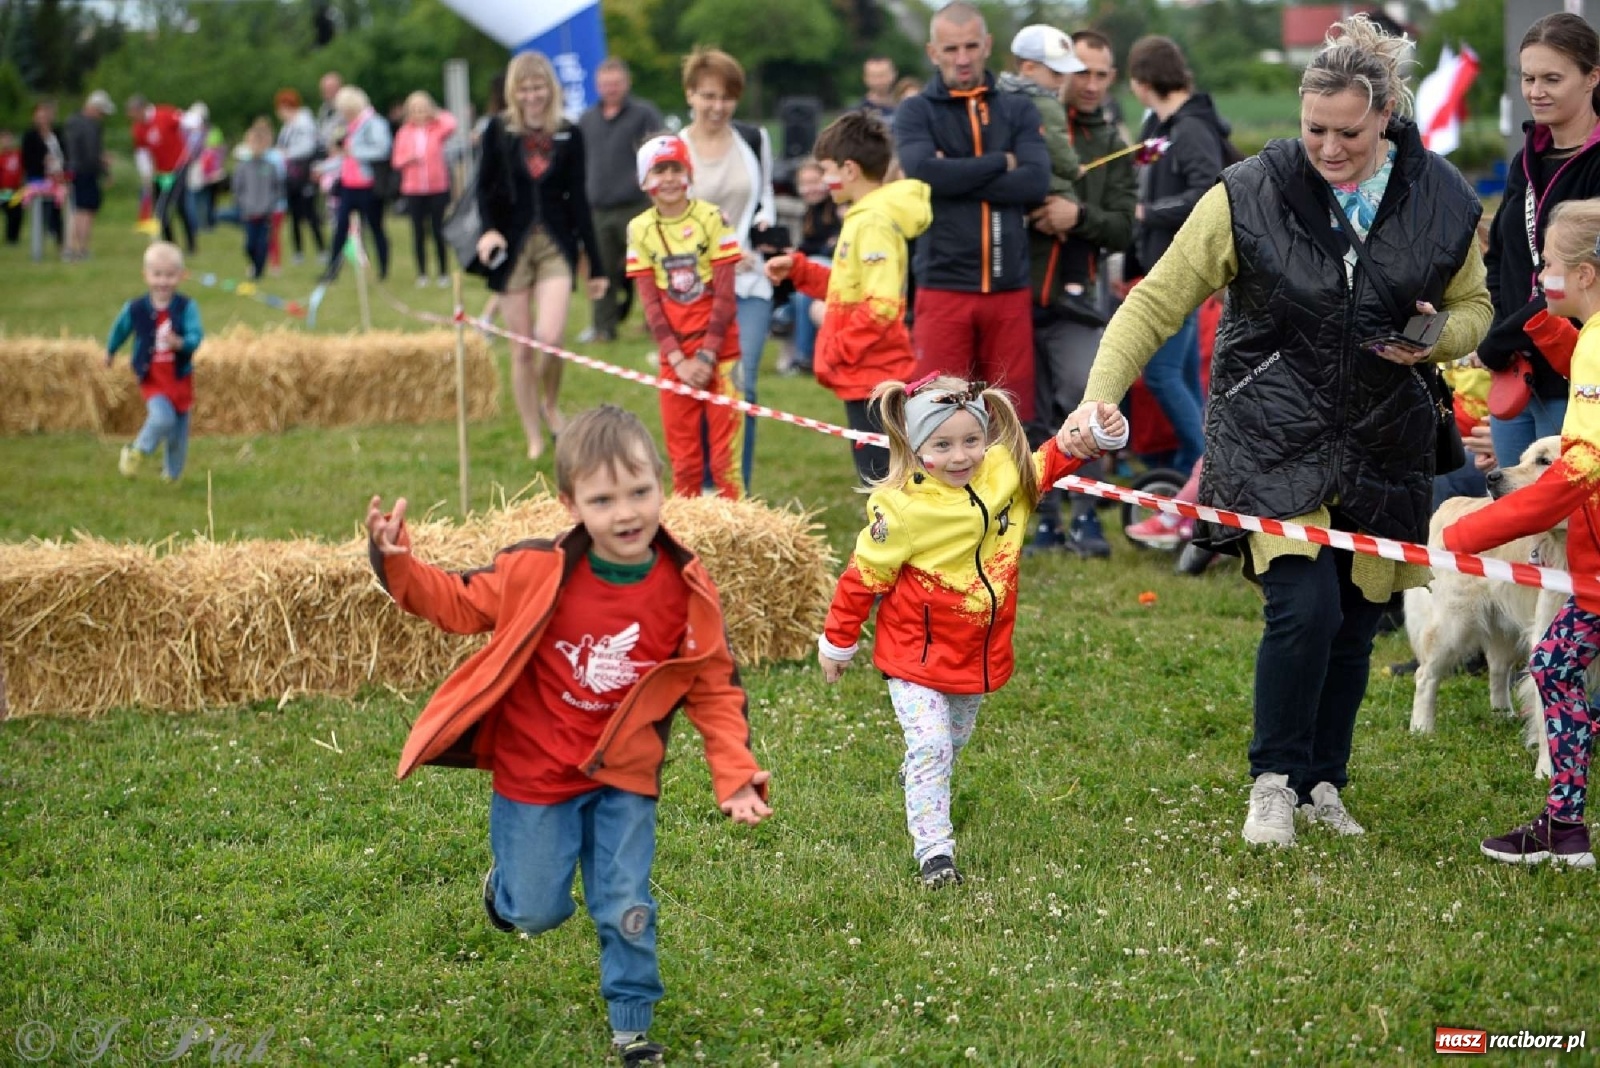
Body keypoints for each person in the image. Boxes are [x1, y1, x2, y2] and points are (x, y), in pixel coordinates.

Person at [1061, 15, 1492, 847]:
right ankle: (1272, 782)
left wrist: (1439, 337)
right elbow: (1155, 300)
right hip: (1269, 433)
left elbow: (1478, 306)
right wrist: (1098, 396)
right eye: (1314, 131)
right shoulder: (1249, 191)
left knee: (1356, 619)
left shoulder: (1441, 197)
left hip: (1381, 439)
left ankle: (1325, 783)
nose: (1329, 148)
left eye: (1349, 134)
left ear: (1386, 120)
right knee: (1302, 608)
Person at [364, 404, 772, 1067]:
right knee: (537, 913)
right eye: (604, 498)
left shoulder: (684, 587)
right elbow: (459, 602)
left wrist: (734, 774)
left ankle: (632, 1029)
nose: (627, 512)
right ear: (570, 503)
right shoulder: (536, 570)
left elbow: (714, 686)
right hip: (536, 774)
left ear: (660, 486)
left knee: (624, 901)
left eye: (640, 491)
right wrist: (399, 563)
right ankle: (508, 891)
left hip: (624, 776)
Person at [819, 375, 1126, 886]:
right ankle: (935, 853)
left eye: (970, 441)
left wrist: (1094, 433)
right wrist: (839, 641)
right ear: (917, 448)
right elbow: (860, 579)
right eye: (942, 445)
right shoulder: (901, 511)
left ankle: (922, 776)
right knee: (934, 745)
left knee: (949, 746)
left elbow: (1052, 459)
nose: (960, 456)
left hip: (977, 656)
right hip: (913, 659)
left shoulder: (1005, 474)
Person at [1443, 199, 1600, 869]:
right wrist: (1544, 325)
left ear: (1587, 274)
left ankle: (1565, 829)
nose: (1541, 277)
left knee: (1558, 666)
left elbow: (1576, 475)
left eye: (1550, 269)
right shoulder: (1590, 334)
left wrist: (1476, 529)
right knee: (1558, 663)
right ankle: (1564, 829)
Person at [893, 2, 1051, 424]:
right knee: (937, 412)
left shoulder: (1017, 108)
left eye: (969, 47)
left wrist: (955, 173)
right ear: (932, 52)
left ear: (987, 46)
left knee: (1010, 414)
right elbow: (925, 173)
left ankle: (1018, 491)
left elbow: (1036, 181)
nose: (961, 59)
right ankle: (933, 492)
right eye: (950, 49)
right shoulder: (916, 110)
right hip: (944, 284)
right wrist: (1002, 161)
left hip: (1008, 287)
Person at [764, 113, 930, 484]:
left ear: (850, 169)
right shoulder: (861, 217)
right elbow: (846, 287)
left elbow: (882, 306)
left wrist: (838, 347)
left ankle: (890, 540)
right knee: (879, 474)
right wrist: (799, 269)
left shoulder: (872, 222)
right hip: (862, 371)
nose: (824, 180)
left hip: (874, 375)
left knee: (884, 480)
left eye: (826, 170)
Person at [1023, 28, 1138, 558]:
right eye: (1080, 72)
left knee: (1082, 402)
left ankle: (1086, 517)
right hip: (1018, 291)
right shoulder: (1024, 124)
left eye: (1100, 74)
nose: (1089, 84)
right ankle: (1043, 518)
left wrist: (1078, 215)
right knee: (1027, 411)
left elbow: (1122, 228)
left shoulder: (1114, 143)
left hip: (1078, 300)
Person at [1478, 13, 1600, 470]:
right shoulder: (1524, 160)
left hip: (1577, 376)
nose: (1536, 91)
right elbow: (1500, 257)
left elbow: (1583, 272)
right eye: (1528, 78)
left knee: (1574, 521)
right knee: (1519, 524)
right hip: (1516, 372)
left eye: (1552, 78)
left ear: (1592, 77)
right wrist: (1499, 328)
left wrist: (1504, 335)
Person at [475, 51, 607, 461]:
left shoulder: (569, 132)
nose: (532, 95)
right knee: (522, 348)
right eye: (524, 88)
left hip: (556, 243)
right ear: (514, 92)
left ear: (550, 89)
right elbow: (483, 188)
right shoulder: (499, 131)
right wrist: (489, 230)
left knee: (551, 340)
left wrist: (595, 264)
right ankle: (533, 432)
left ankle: (551, 403)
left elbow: (580, 201)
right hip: (513, 247)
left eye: (538, 87)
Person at [1125, 35, 1232, 482]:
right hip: (1162, 264)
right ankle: (1199, 460)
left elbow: (1208, 194)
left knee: (1162, 373)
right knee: (1184, 372)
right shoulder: (1161, 127)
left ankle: (1207, 463)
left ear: (1142, 82)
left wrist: (1147, 214)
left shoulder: (1190, 128)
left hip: (1182, 268)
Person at [679, 47, 779, 491]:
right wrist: (715, 251)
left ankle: (737, 488)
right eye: (708, 96)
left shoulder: (754, 140)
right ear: (690, 96)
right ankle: (702, 486)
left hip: (748, 283)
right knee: (701, 385)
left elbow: (766, 202)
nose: (717, 106)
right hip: (693, 287)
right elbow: (666, 224)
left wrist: (762, 234)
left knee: (743, 385)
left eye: (726, 97)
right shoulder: (674, 150)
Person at [625, 135, 743, 499]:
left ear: (688, 173)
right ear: (646, 181)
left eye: (676, 168)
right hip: (674, 358)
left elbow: (724, 296)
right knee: (684, 461)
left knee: (726, 463)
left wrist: (706, 357)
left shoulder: (712, 217)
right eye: (660, 171)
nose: (670, 178)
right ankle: (687, 541)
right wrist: (678, 359)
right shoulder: (639, 228)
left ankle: (737, 533)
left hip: (720, 355)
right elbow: (650, 304)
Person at [578, 58, 663, 343]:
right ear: (597, 86)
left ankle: (659, 324)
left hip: (636, 206)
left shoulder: (643, 114)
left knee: (651, 267)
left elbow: (660, 150)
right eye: (605, 84)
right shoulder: (587, 119)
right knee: (601, 271)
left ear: (626, 83)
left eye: (615, 83)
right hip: (599, 209)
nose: (610, 89)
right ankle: (603, 327)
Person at [106, 241, 203, 483]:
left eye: (170, 275)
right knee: (162, 418)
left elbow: (196, 335)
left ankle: (172, 476)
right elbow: (120, 330)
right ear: (146, 275)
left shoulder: (186, 307)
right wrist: (110, 351)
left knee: (179, 434)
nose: (163, 281)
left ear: (180, 276)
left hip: (180, 377)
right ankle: (137, 451)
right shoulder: (136, 308)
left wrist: (181, 343)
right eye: (157, 275)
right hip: (153, 378)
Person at [321, 85, 393, 283]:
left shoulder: (374, 124)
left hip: (369, 185)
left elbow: (383, 149)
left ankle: (383, 269)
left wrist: (355, 152)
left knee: (375, 227)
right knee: (340, 229)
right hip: (348, 185)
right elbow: (343, 157)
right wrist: (323, 168)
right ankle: (332, 271)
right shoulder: (348, 126)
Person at [779, 158, 842, 377]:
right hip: (817, 266)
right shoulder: (809, 213)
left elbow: (832, 248)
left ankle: (803, 354)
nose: (810, 189)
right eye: (804, 184)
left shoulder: (836, 207)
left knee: (805, 291)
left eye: (815, 181)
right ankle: (785, 317)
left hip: (834, 269)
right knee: (798, 292)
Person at [390, 90, 458, 288]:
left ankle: (443, 272)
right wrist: (409, 158)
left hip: (437, 187)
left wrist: (436, 114)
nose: (419, 113)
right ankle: (422, 273)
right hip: (414, 189)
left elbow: (452, 122)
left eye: (422, 109)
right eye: (415, 109)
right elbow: (396, 161)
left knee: (438, 230)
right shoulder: (404, 132)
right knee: (418, 232)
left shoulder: (438, 128)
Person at [128, 94, 196, 252]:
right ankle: (170, 245)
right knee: (160, 210)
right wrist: (146, 175)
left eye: (134, 112)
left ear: (142, 108)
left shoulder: (164, 114)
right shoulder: (138, 129)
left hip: (179, 166)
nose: (132, 117)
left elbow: (188, 122)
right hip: (161, 172)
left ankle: (191, 244)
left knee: (179, 206)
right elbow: (142, 154)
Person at [274, 88, 326, 265]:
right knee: (294, 216)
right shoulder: (286, 127)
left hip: (304, 174)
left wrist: (286, 153)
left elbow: (307, 148)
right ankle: (298, 251)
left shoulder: (305, 123)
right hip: (290, 176)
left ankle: (321, 249)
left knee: (310, 214)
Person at [63, 90, 115, 261]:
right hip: (86, 172)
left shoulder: (72, 121)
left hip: (74, 171)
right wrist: (105, 165)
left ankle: (73, 248)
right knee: (84, 211)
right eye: (101, 112)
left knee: (77, 209)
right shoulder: (90, 125)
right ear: (94, 108)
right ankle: (79, 249)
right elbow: (93, 153)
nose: (102, 116)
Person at [232, 119, 283, 280]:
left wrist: (271, 204)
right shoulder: (242, 167)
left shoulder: (270, 166)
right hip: (249, 213)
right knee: (249, 245)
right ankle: (254, 264)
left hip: (265, 213)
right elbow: (237, 189)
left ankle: (259, 272)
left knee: (263, 244)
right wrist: (243, 204)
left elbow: (277, 188)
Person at [20, 100, 64, 251]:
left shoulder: (56, 133)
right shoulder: (30, 136)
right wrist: (43, 161)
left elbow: (63, 151)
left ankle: (60, 240)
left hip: (57, 176)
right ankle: (39, 242)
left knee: (57, 210)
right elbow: (27, 159)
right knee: (42, 211)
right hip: (38, 177)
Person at [860, 55, 899, 122]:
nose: (879, 81)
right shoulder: (857, 113)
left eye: (882, 75)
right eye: (874, 76)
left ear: (894, 74)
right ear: (865, 78)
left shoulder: (906, 107)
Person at [0, 129, 21, 245]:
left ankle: (13, 239)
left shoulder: (17, 154)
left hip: (15, 190)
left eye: (8, 139)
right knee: (8, 213)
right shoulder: (1, 157)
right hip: (3, 191)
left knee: (15, 214)